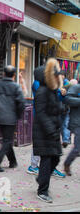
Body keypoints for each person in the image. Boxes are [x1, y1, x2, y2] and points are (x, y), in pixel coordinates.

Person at [33, 58, 64, 203]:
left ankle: (41, 179)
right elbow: (41, 113)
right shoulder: (42, 92)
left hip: (52, 132)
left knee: (56, 158)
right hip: (44, 133)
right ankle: (42, 191)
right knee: (47, 160)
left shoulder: (51, 91)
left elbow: (54, 109)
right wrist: (51, 130)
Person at [27, 65, 66, 179]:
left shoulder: (52, 88)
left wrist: (62, 98)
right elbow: (42, 108)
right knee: (41, 146)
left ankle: (45, 173)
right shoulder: (39, 86)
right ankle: (34, 167)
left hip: (51, 120)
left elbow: (56, 102)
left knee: (50, 152)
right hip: (42, 121)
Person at [0, 65, 25, 172]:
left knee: (7, 139)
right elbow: (21, 103)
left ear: (3, 74)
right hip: (10, 118)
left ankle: (12, 161)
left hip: (0, 117)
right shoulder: (16, 87)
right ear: (14, 75)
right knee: (8, 140)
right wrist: (18, 115)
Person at [63, 82, 80, 176]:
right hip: (77, 122)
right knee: (77, 148)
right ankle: (67, 163)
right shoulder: (76, 87)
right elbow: (67, 99)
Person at [60, 71, 71, 148]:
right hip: (61, 107)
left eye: (62, 75)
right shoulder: (58, 83)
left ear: (64, 76)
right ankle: (65, 139)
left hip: (66, 107)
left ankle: (66, 140)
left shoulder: (67, 84)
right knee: (62, 124)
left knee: (65, 123)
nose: (60, 76)